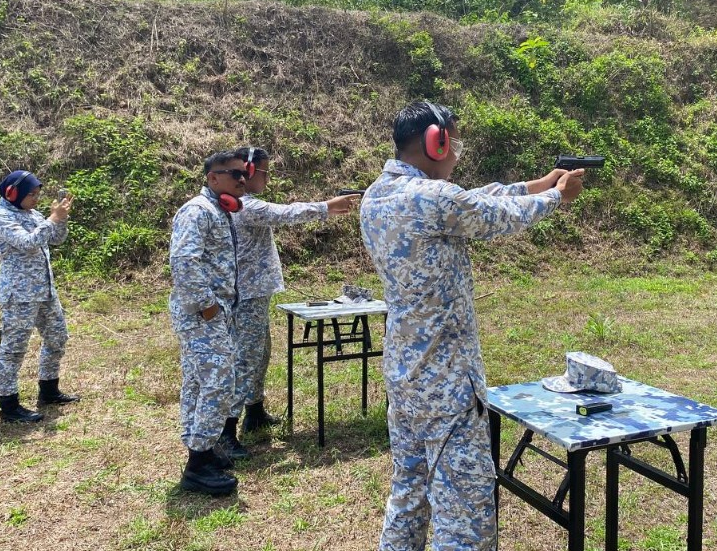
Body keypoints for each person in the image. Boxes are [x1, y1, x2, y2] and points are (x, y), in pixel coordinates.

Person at [359, 101, 584, 551]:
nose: (457, 150)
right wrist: (557, 196)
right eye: (453, 140)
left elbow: (473, 200)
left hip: (405, 375)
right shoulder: (432, 199)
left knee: (409, 494)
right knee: (464, 514)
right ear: (435, 142)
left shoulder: (377, 195)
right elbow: (494, 216)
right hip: (446, 384)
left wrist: (533, 183)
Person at [225, 146, 361, 440]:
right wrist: (327, 206)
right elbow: (286, 213)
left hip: (255, 294)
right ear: (247, 172)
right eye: (264, 172)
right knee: (246, 359)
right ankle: (226, 431)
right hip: (246, 296)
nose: (268, 178)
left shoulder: (244, 204)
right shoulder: (245, 206)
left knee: (259, 355)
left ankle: (254, 411)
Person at [168, 151, 249, 496]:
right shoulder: (198, 211)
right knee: (217, 383)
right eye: (234, 174)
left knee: (200, 383)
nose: (242, 180)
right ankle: (198, 465)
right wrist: (208, 307)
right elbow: (184, 262)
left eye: (244, 174)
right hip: (203, 316)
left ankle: (201, 449)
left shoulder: (219, 210)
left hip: (214, 314)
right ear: (213, 178)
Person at [0, 170, 79, 423]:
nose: (36, 199)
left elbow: (56, 239)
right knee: (13, 349)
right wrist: (52, 218)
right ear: (13, 193)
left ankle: (48, 390)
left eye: (38, 194)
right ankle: (9, 406)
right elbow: (29, 242)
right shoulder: (1, 218)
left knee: (57, 338)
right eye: (31, 194)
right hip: (19, 295)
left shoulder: (32, 214)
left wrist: (60, 219)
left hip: (44, 291)